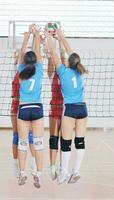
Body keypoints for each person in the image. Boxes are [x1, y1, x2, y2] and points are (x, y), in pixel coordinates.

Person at [45, 27, 88, 184]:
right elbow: (70, 52)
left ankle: (63, 174)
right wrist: (61, 36)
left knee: (65, 143)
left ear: (68, 62)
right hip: (83, 108)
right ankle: (75, 171)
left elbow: (54, 54)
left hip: (70, 109)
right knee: (80, 141)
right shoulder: (79, 70)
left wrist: (48, 36)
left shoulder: (62, 71)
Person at [17, 24, 44, 188]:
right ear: (35, 60)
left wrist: (27, 36)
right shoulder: (39, 69)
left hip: (24, 109)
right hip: (37, 108)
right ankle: (39, 175)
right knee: (39, 144)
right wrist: (36, 36)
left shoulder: (21, 69)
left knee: (22, 143)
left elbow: (21, 54)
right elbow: (37, 53)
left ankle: (22, 174)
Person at [11, 49, 36, 177]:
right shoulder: (16, 71)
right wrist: (16, 57)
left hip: (25, 105)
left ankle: (33, 163)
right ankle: (16, 165)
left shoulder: (30, 72)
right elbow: (16, 63)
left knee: (30, 136)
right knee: (16, 136)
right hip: (15, 106)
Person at [44, 26, 65, 180]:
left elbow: (63, 58)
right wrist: (49, 40)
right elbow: (52, 62)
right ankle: (52, 166)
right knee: (53, 138)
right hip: (54, 109)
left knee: (64, 139)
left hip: (65, 110)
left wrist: (60, 40)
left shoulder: (66, 73)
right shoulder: (52, 75)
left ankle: (62, 168)